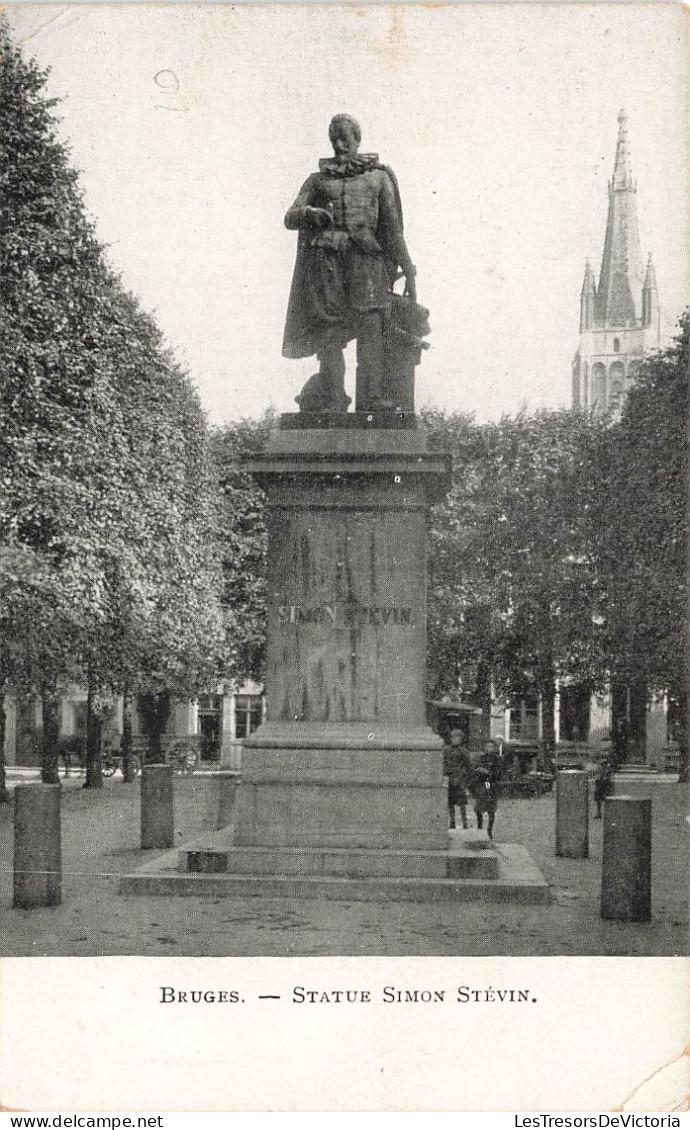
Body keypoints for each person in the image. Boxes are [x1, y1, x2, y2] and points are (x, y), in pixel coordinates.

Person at [282, 114, 417, 413]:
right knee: (330, 333)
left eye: (345, 137)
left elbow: (393, 230)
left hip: (366, 259)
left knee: (371, 327)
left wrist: (409, 267)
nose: (340, 144)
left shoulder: (379, 177)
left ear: (358, 138)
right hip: (327, 262)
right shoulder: (317, 180)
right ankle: (333, 398)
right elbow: (290, 217)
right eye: (334, 139)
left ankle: (371, 398)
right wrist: (309, 212)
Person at [472, 739, 502, 839]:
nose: (488, 748)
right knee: (479, 809)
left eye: (490, 746)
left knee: (490, 809)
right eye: (487, 746)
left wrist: (488, 772)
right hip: (481, 784)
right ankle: (480, 829)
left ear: (494, 748)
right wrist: (478, 770)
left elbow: (498, 773)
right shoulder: (481, 758)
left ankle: (489, 831)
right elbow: (475, 769)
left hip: (491, 785)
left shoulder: (497, 759)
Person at [443, 730, 471, 830]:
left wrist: (464, 778)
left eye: (457, 738)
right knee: (450, 803)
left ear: (461, 739)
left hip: (459, 780)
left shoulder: (464, 751)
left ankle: (465, 823)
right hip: (450, 779)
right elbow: (443, 764)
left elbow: (468, 766)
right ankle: (452, 822)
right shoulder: (446, 750)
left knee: (462, 803)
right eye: (452, 737)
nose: (454, 740)